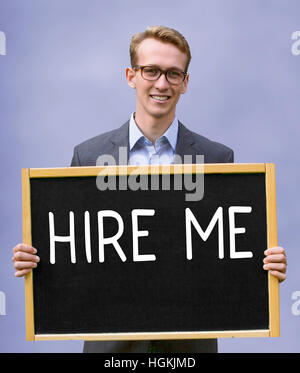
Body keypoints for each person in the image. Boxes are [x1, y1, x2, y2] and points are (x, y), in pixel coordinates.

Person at [12, 26, 287, 353]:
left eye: (173, 73)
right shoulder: (88, 157)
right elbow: (75, 250)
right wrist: (37, 263)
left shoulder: (216, 158)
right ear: (131, 76)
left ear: (185, 83)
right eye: (151, 71)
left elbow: (224, 257)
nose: (161, 83)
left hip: (189, 349)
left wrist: (264, 268)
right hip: (111, 347)